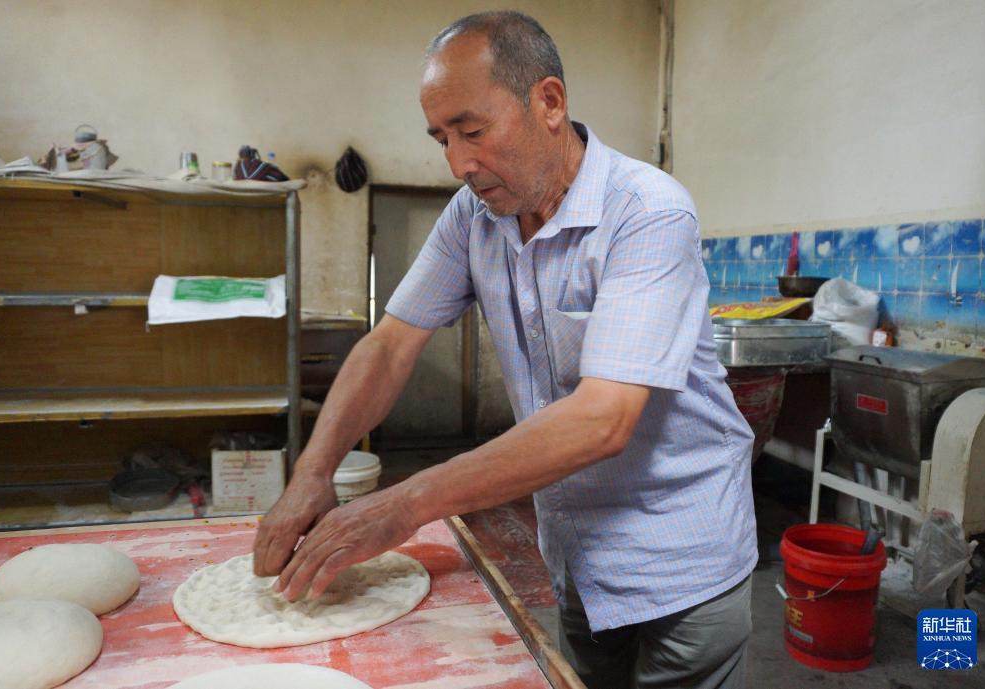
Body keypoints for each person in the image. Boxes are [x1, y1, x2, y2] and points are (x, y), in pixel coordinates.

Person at [253, 11, 757, 689]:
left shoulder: (647, 212)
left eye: (473, 131)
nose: (459, 163)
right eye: (442, 139)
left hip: (679, 562)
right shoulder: (474, 218)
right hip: (577, 557)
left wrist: (406, 503)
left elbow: (603, 418)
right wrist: (313, 471)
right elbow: (391, 343)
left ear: (548, 102)